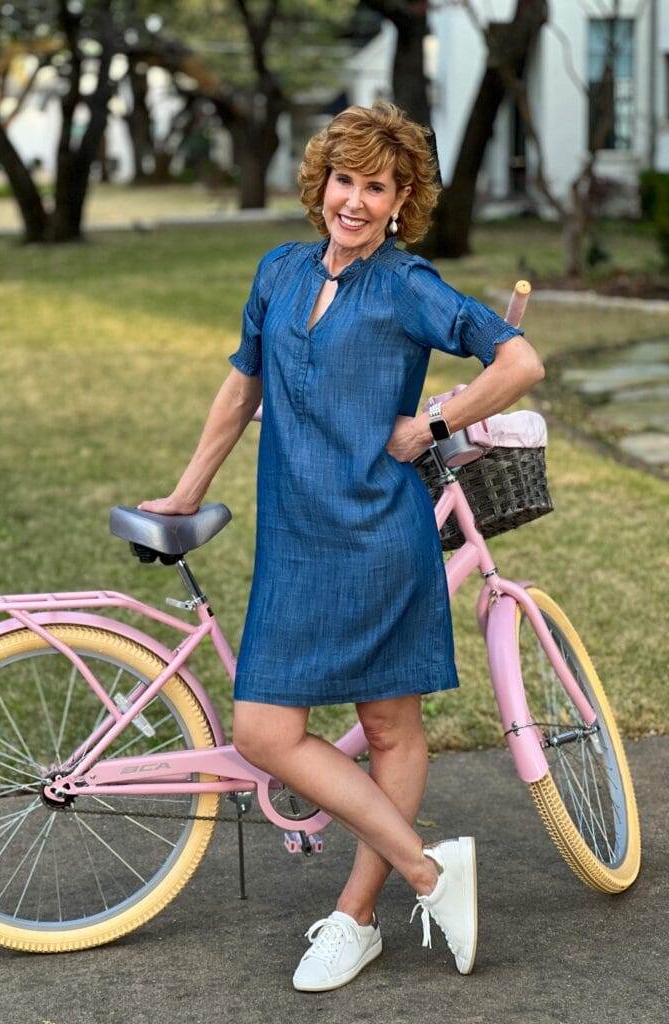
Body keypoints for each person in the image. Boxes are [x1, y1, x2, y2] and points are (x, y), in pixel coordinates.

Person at [138, 101, 545, 991]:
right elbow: (242, 386)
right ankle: (430, 872)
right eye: (344, 180)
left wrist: (433, 417)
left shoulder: (407, 284)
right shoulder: (279, 270)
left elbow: (518, 364)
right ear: (321, 183)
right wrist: (187, 490)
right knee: (265, 729)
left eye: (378, 187)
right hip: (292, 538)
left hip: (378, 536)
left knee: (390, 727)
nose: (355, 201)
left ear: (402, 201)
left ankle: (356, 919)